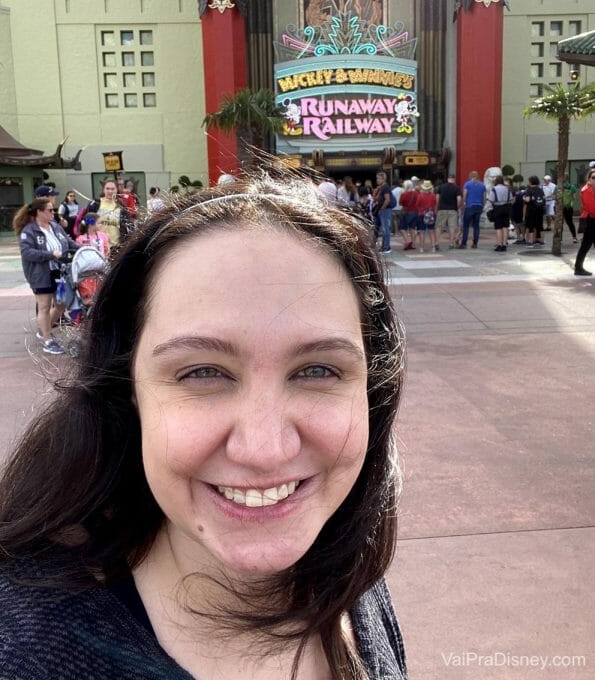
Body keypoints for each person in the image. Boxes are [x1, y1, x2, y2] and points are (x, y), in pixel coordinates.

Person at [0, 172, 407, 680]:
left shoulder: (348, 561)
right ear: (128, 389)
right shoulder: (24, 653)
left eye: (318, 370)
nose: (265, 450)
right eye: (203, 373)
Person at [13, 197, 78, 355]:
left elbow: (68, 243)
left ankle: (44, 329)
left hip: (59, 273)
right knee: (44, 306)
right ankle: (47, 340)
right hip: (40, 275)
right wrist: (49, 255)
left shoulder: (55, 226)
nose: (53, 212)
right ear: (38, 212)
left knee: (61, 304)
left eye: (53, 209)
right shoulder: (29, 231)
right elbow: (27, 252)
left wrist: (83, 249)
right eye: (49, 210)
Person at [574, 167, 595, 276]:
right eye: (593, 177)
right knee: (586, 245)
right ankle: (578, 268)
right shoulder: (587, 190)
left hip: (592, 220)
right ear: (589, 179)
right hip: (591, 221)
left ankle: (578, 268)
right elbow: (592, 208)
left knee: (586, 245)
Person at [459, 170, 486, 249]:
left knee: (466, 226)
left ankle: (464, 244)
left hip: (470, 206)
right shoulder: (482, 185)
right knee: (476, 226)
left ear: (470, 176)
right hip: (479, 206)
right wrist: (482, 205)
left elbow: (464, 195)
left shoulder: (467, 184)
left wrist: (463, 205)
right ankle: (475, 243)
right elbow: (484, 197)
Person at [435, 174, 462, 249]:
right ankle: (451, 243)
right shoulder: (457, 188)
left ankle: (437, 243)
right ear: (454, 179)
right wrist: (458, 207)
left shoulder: (441, 187)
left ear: (447, 179)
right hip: (452, 210)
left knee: (439, 226)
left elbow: (437, 198)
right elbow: (459, 199)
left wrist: (437, 207)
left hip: (442, 209)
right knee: (452, 227)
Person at [488, 174, 513, 252]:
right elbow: (511, 199)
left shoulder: (494, 189)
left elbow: (491, 200)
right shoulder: (507, 189)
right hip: (506, 208)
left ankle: (499, 244)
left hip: (497, 208)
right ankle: (504, 245)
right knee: (505, 227)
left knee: (498, 228)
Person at [372, 170, 395, 254]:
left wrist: (382, 208)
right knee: (377, 228)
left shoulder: (385, 187)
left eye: (378, 178)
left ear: (383, 179)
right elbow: (375, 200)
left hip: (384, 210)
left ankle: (386, 247)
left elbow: (387, 199)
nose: (377, 180)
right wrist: (374, 194)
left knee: (386, 229)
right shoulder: (380, 188)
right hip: (380, 210)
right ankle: (382, 246)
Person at [415, 180, 438, 252]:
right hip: (431, 214)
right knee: (431, 231)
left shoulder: (420, 196)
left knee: (422, 232)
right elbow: (435, 204)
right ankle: (433, 247)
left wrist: (420, 210)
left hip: (422, 214)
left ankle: (421, 248)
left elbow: (417, 205)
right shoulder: (433, 195)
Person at [523, 176, 546, 247]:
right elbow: (544, 199)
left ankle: (530, 241)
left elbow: (528, 200)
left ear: (531, 182)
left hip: (532, 210)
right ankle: (541, 240)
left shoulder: (529, 190)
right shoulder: (540, 189)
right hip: (540, 209)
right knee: (540, 225)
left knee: (531, 226)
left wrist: (523, 197)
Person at [398, 180, 418, 251]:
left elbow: (400, 203)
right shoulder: (416, 193)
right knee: (412, 228)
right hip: (415, 212)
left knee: (402, 228)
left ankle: (407, 241)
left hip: (407, 212)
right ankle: (413, 244)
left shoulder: (404, 194)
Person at [561, 176, 578, 243]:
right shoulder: (572, 186)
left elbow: (554, 196)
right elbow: (574, 197)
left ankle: (560, 239)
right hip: (569, 207)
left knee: (559, 223)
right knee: (570, 222)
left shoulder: (558, 187)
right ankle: (574, 237)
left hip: (560, 207)